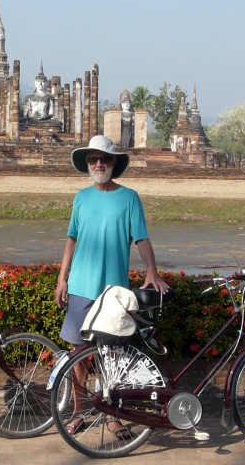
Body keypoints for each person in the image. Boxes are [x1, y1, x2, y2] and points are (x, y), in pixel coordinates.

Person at [54, 134, 169, 437]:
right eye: (93, 159)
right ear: (88, 164)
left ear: (114, 164)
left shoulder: (129, 197)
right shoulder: (81, 197)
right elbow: (72, 239)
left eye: (104, 159)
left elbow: (141, 237)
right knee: (78, 353)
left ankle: (112, 416)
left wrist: (152, 271)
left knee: (113, 356)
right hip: (81, 285)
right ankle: (80, 411)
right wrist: (62, 277)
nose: (99, 163)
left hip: (114, 291)